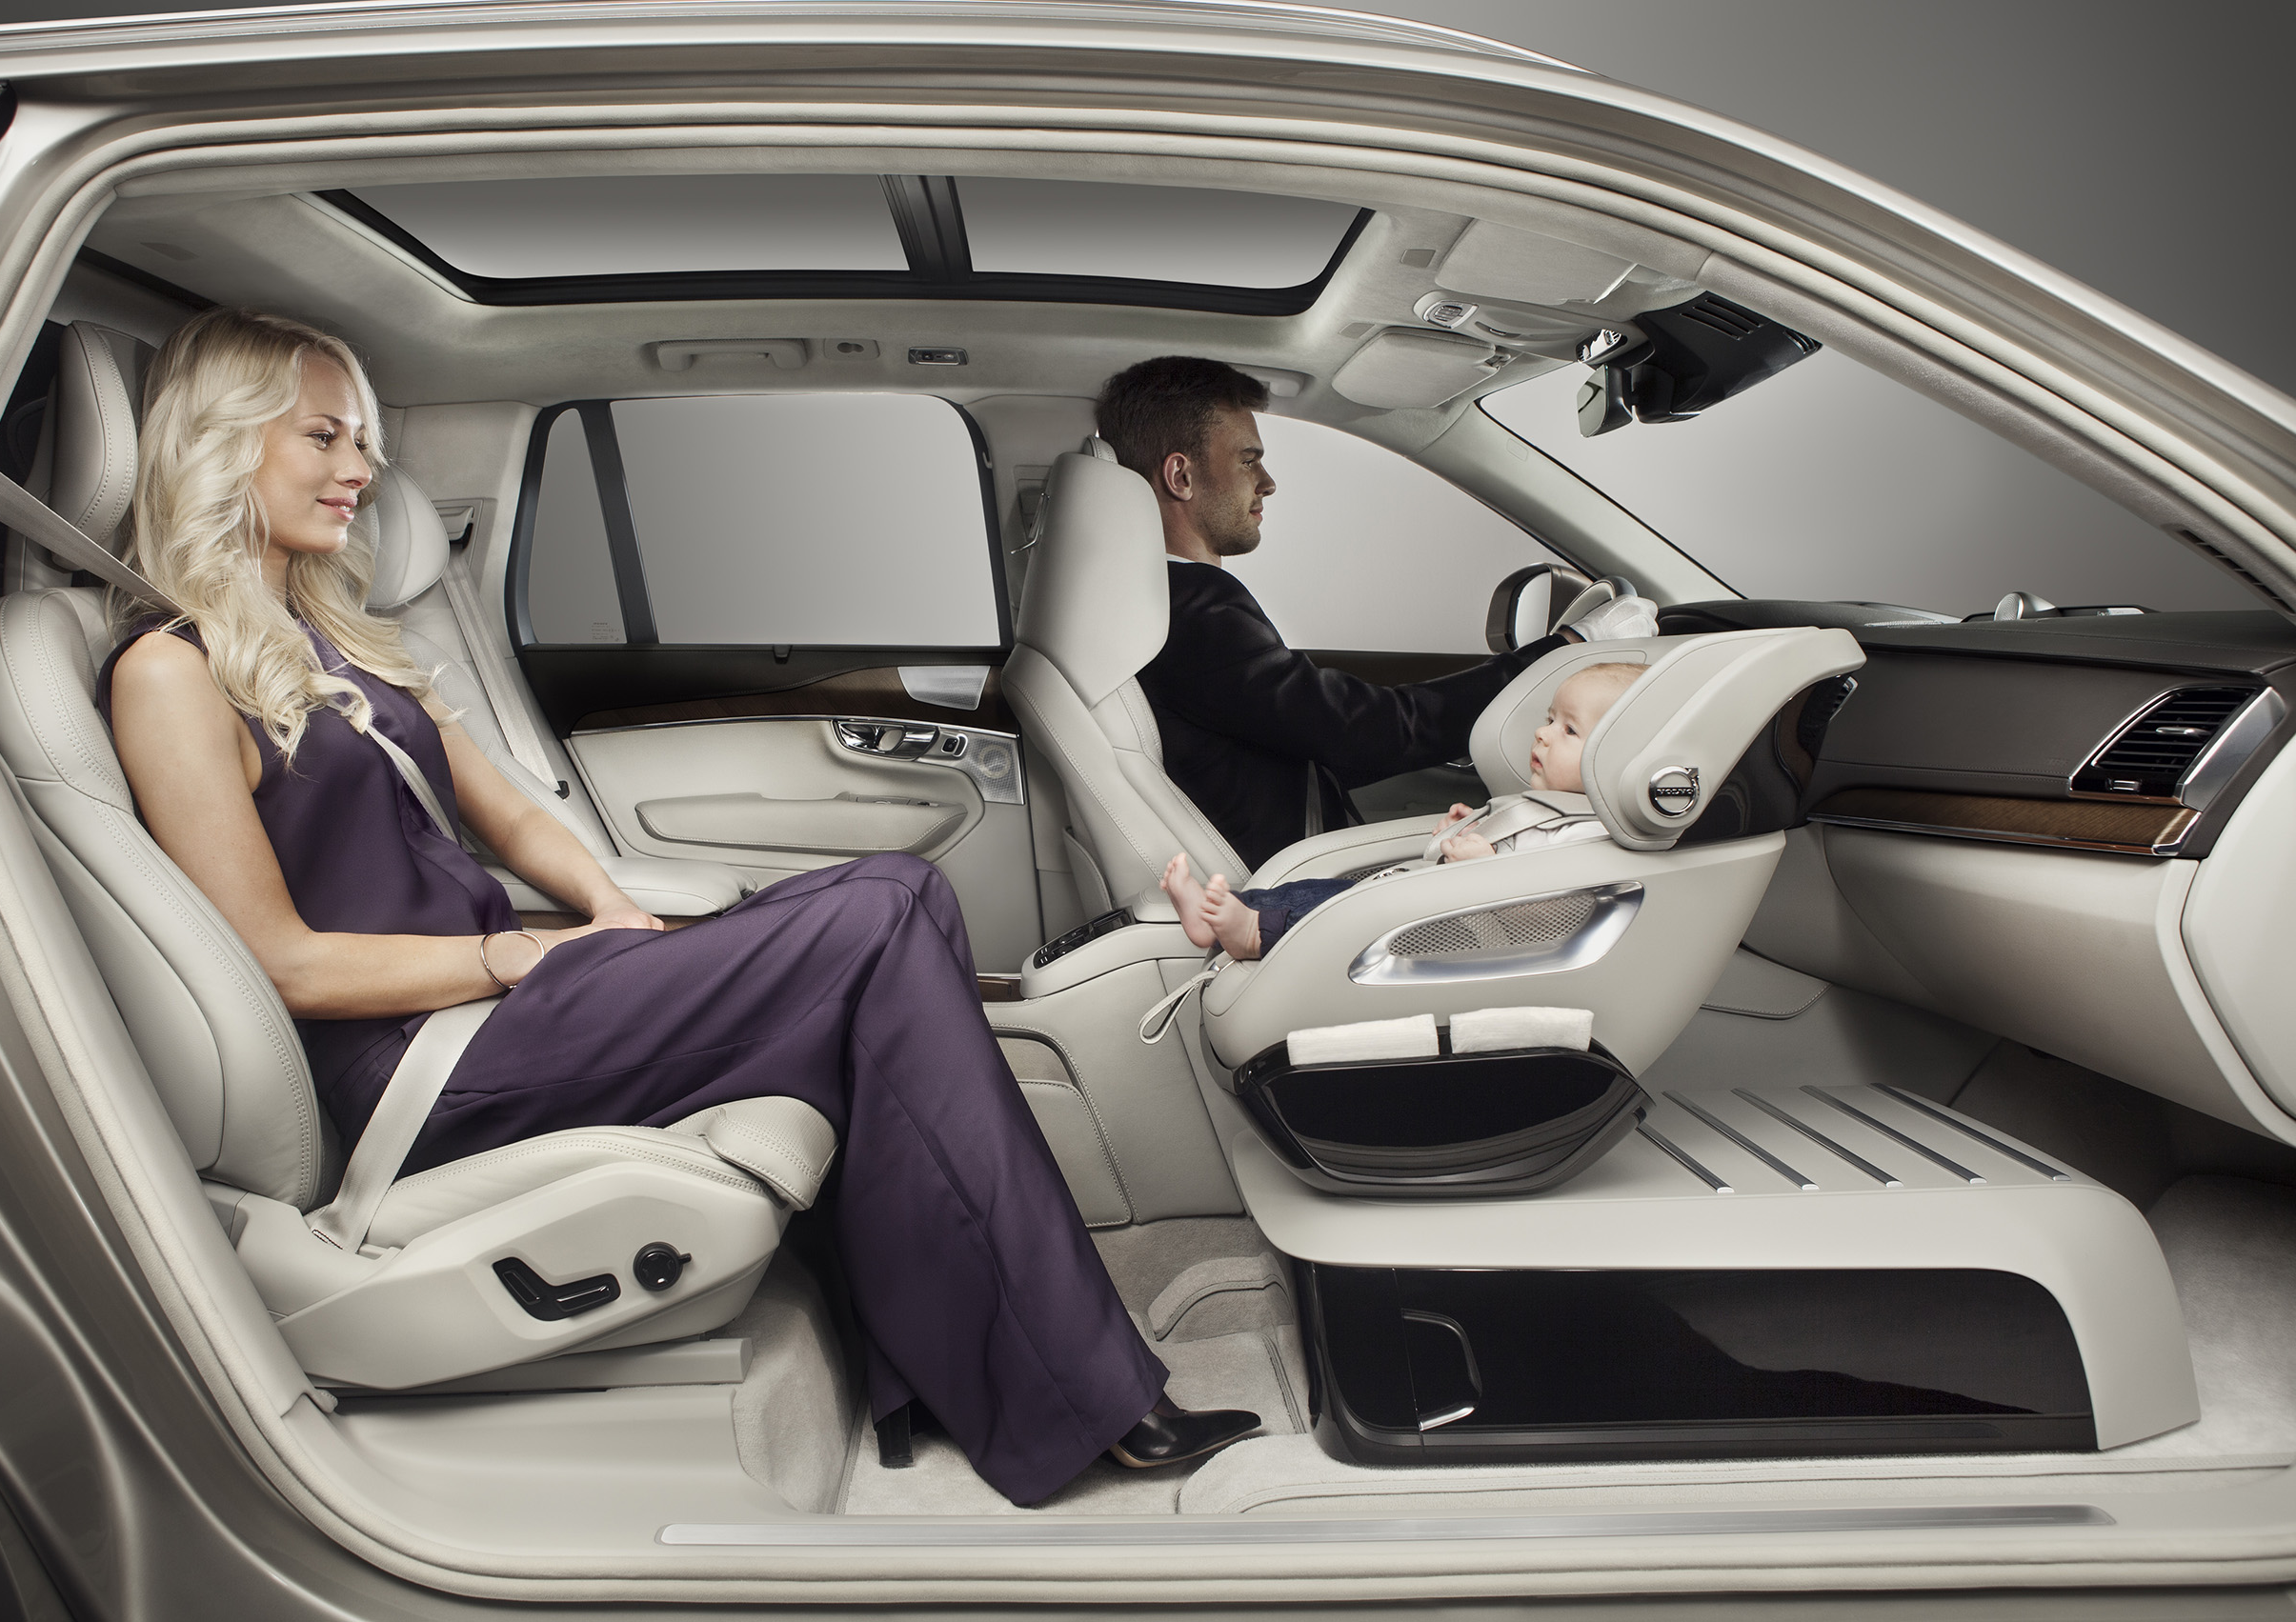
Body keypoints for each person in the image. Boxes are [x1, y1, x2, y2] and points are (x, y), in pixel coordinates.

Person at [96, 309, 1258, 1508]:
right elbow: (281, 965)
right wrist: (513, 955)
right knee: (879, 912)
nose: (360, 469)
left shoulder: (335, 642)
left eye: (363, 441)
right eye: (324, 436)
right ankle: (1077, 1394)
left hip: (514, 1007)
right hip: (424, 1060)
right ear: (222, 440)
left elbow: (510, 815)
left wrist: (611, 910)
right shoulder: (169, 672)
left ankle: (967, 1372)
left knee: (899, 895)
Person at [1096, 356, 1658, 871]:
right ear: (1181, 477)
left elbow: (1312, 720)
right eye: (1248, 461)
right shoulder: (1195, 608)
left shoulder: (1154, 601)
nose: (1267, 482)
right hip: (1294, 880)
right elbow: (1361, 731)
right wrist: (1566, 649)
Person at [1161, 663, 1643, 960]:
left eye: (1569, 730)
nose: (1542, 733)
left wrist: (1487, 866)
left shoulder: (1588, 835)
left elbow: (1554, 913)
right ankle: (1231, 913)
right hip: (1437, 901)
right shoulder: (1536, 806)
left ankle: (1253, 934)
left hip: (1466, 936)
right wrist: (1459, 834)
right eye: (1549, 719)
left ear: (1623, 757)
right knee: (1322, 892)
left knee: (1338, 917)